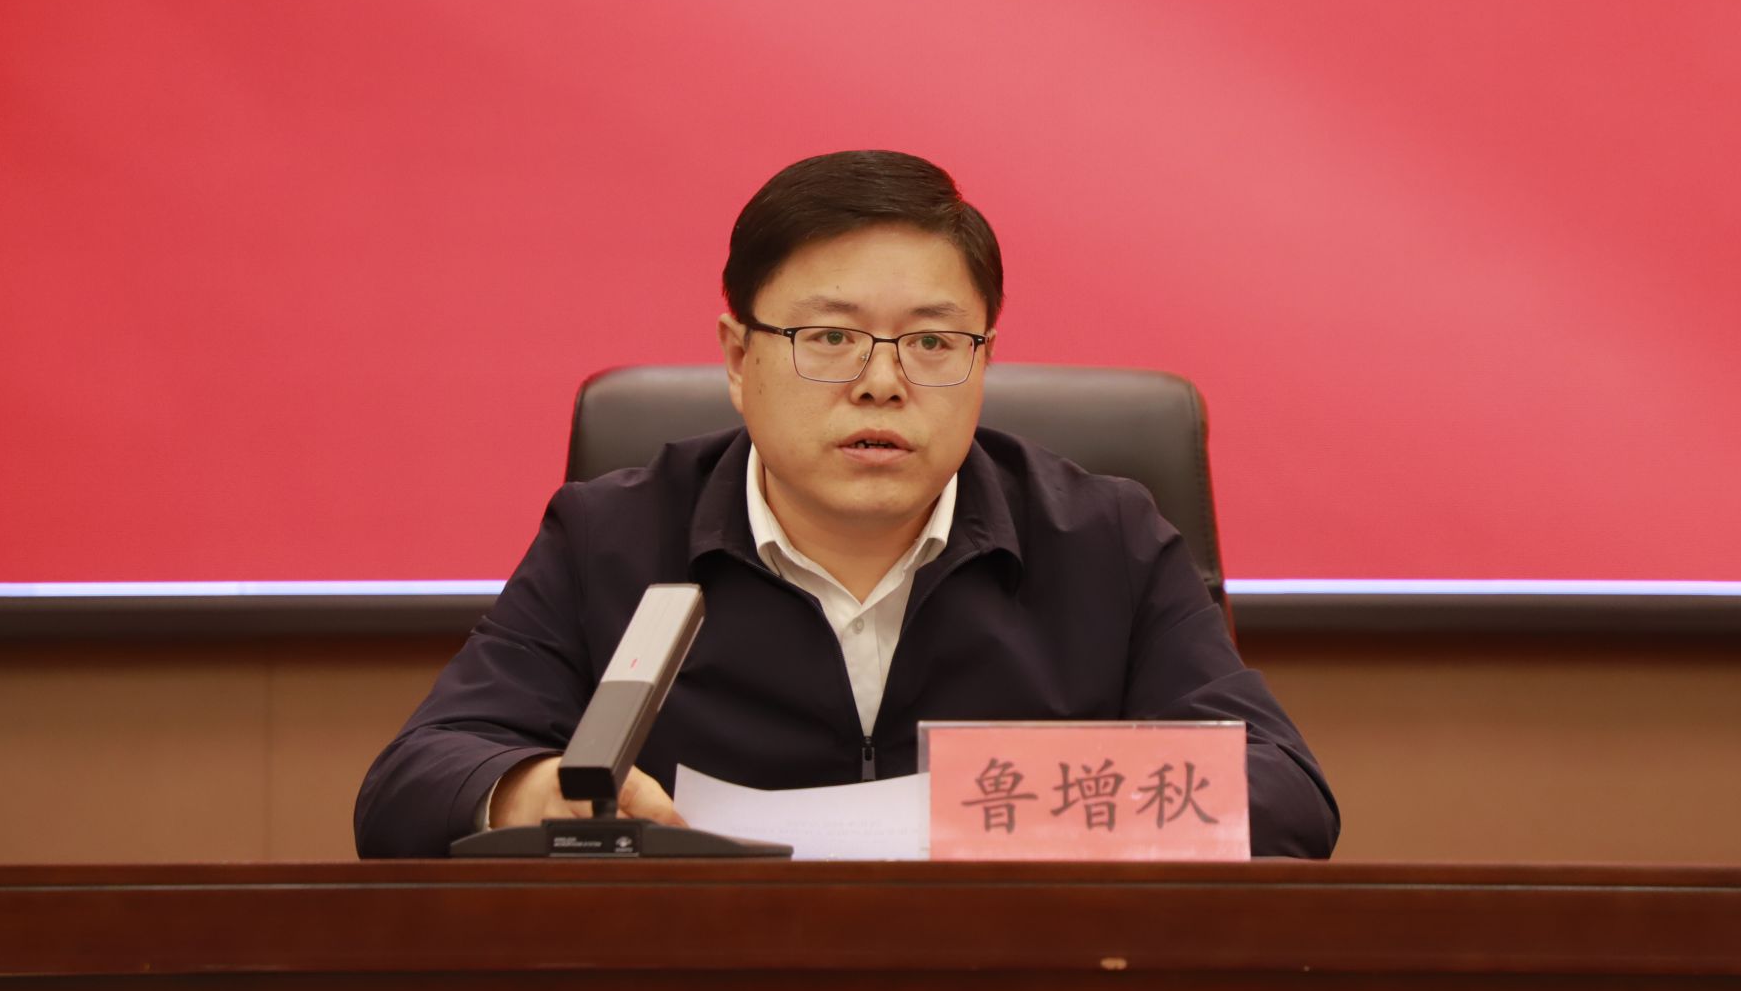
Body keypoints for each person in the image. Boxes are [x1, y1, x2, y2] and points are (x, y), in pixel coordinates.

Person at [354, 151, 1338, 858]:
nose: (880, 383)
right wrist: (537, 794)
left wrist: (1016, 809)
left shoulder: (1103, 539)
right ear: (737, 357)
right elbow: (411, 784)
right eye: (829, 338)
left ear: (982, 360)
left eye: (933, 342)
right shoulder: (612, 539)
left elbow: (1286, 795)